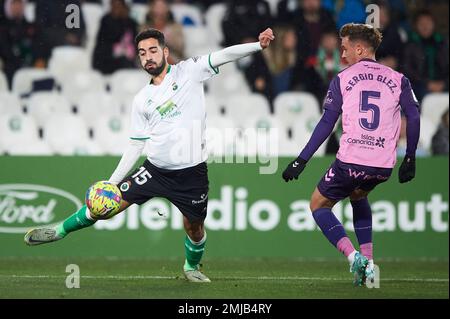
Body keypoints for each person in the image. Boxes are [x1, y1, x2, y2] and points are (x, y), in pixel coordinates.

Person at [24, 27, 275, 283]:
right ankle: (59, 230)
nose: (148, 57)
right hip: (154, 170)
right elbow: (136, 144)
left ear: (165, 52)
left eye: (153, 50)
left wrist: (258, 46)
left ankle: (191, 266)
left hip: (192, 174)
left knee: (195, 228)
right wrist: (111, 183)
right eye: (143, 53)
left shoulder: (190, 71)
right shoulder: (142, 100)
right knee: (105, 208)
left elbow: (223, 55)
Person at [281, 23, 420, 286]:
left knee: (318, 204)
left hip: (350, 161)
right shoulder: (399, 78)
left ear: (359, 48)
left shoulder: (342, 79)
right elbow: (412, 114)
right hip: (382, 166)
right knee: (359, 195)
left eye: (345, 49)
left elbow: (326, 123)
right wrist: (410, 156)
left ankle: (353, 256)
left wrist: (302, 160)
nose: (342, 55)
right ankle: (369, 265)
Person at [93, 0, 138, 74]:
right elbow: (101, 45)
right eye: (114, 5)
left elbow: (135, 44)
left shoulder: (131, 23)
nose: (116, 8)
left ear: (124, 7)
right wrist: (116, 49)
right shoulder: (105, 20)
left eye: (119, 6)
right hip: (107, 60)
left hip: (126, 59)